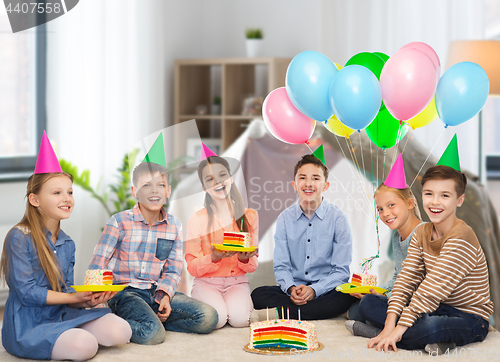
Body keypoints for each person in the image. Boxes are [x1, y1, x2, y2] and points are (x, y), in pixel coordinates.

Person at [1, 132, 131, 361]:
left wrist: (87, 299)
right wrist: (73, 299)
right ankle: (69, 338)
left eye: (70, 192)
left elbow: (66, 288)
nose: (67, 198)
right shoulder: (18, 237)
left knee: (121, 330)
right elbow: (27, 293)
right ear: (35, 200)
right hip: (28, 324)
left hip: (61, 313)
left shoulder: (67, 242)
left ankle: (68, 334)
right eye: (57, 193)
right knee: (85, 346)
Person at [368, 137, 494, 355]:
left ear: (459, 200)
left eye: (445, 195)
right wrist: (389, 326)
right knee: (369, 304)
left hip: (469, 315)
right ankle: (413, 337)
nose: (435, 202)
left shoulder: (462, 236)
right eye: (429, 194)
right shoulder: (422, 233)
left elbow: (430, 290)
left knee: (430, 327)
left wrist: (398, 330)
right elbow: (407, 279)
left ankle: (386, 334)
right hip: (438, 307)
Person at [88, 160, 218, 345]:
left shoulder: (174, 225)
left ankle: (151, 319)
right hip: (125, 293)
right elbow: (97, 264)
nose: (155, 190)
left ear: (168, 191)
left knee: (208, 317)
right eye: (146, 185)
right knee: (153, 334)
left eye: (160, 185)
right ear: (135, 192)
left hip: (156, 292)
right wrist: (98, 301)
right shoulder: (119, 222)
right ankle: (112, 321)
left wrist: (165, 296)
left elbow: (173, 269)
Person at [251, 152, 356, 319]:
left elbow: (340, 272)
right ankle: (312, 311)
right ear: (294, 184)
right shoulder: (285, 218)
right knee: (258, 294)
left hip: (325, 289)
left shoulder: (338, 219)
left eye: (315, 178)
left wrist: (315, 290)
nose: (308, 184)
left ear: (325, 186)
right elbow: (282, 266)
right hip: (295, 290)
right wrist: (293, 289)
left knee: (345, 296)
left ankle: (282, 313)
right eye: (303, 178)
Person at [346, 155, 423, 338]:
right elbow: (398, 277)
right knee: (357, 309)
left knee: (368, 306)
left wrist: (385, 298)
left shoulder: (423, 234)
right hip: (401, 299)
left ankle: (379, 332)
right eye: (380, 209)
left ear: (410, 203)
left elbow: (421, 285)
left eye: (391, 205)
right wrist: (377, 290)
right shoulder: (397, 238)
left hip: (419, 303)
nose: (385, 213)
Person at [185, 153, 258, 329]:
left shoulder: (250, 216)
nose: (217, 182)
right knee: (217, 320)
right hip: (206, 283)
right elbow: (191, 266)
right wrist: (214, 258)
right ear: (204, 187)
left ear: (231, 179)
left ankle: (245, 308)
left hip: (237, 282)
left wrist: (244, 258)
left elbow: (253, 265)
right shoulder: (197, 219)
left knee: (240, 320)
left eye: (222, 175)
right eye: (210, 179)